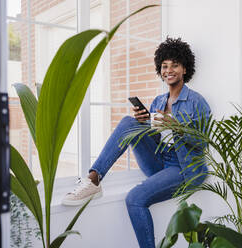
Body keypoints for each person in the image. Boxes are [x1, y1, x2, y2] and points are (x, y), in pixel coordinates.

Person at [62, 37, 211, 248]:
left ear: (185, 69)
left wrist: (177, 127)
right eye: (164, 66)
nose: (169, 70)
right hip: (160, 162)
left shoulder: (197, 101)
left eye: (174, 65)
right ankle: (93, 179)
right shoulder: (159, 101)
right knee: (128, 122)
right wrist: (144, 122)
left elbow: (201, 143)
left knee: (135, 199)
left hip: (184, 167)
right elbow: (157, 137)